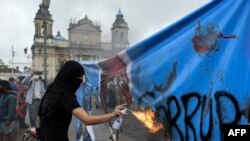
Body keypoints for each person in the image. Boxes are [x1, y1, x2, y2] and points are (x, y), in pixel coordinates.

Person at [38, 60, 126, 141]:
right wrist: (113, 114)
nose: (81, 80)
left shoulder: (52, 88)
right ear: (71, 76)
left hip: (44, 136)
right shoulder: (65, 95)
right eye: (79, 76)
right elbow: (87, 120)